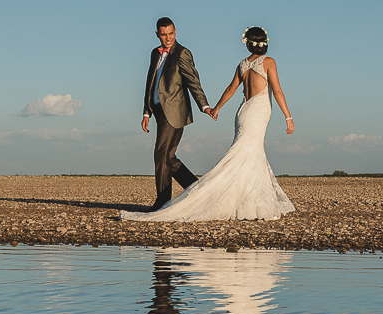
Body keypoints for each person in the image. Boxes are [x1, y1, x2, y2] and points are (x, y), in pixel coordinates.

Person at [123, 26, 294, 223]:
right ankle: (252, 203)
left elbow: (231, 88)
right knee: (251, 153)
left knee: (245, 153)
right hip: (258, 110)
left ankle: (245, 201)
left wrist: (217, 108)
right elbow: (278, 91)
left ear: (248, 43)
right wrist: (288, 117)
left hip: (243, 111)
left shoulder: (243, 64)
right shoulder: (269, 62)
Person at [140, 17, 214, 211]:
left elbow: (193, 80)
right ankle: (196, 189)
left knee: (161, 154)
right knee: (168, 157)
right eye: (163, 35)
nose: (168, 38)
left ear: (175, 31)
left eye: (171, 33)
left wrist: (204, 105)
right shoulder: (154, 54)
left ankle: (162, 202)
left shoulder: (182, 53)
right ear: (157, 34)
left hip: (174, 111)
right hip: (157, 112)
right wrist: (146, 112)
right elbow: (150, 84)